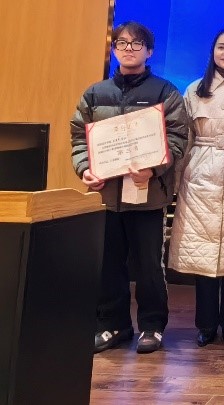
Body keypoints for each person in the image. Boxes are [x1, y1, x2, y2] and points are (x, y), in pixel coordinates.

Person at [70, 21, 189, 354]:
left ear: (149, 51)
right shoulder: (95, 93)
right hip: (107, 195)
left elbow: (178, 138)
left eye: (137, 44)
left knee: (149, 266)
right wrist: (85, 168)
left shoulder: (165, 92)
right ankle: (113, 325)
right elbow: (79, 137)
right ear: (114, 49)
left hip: (148, 194)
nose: (128, 49)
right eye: (121, 43)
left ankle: (152, 326)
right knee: (108, 263)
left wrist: (153, 169)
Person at [168, 28, 224, 347]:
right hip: (201, 174)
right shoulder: (194, 90)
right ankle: (205, 324)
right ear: (213, 52)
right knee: (204, 256)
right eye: (221, 47)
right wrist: (175, 181)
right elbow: (184, 137)